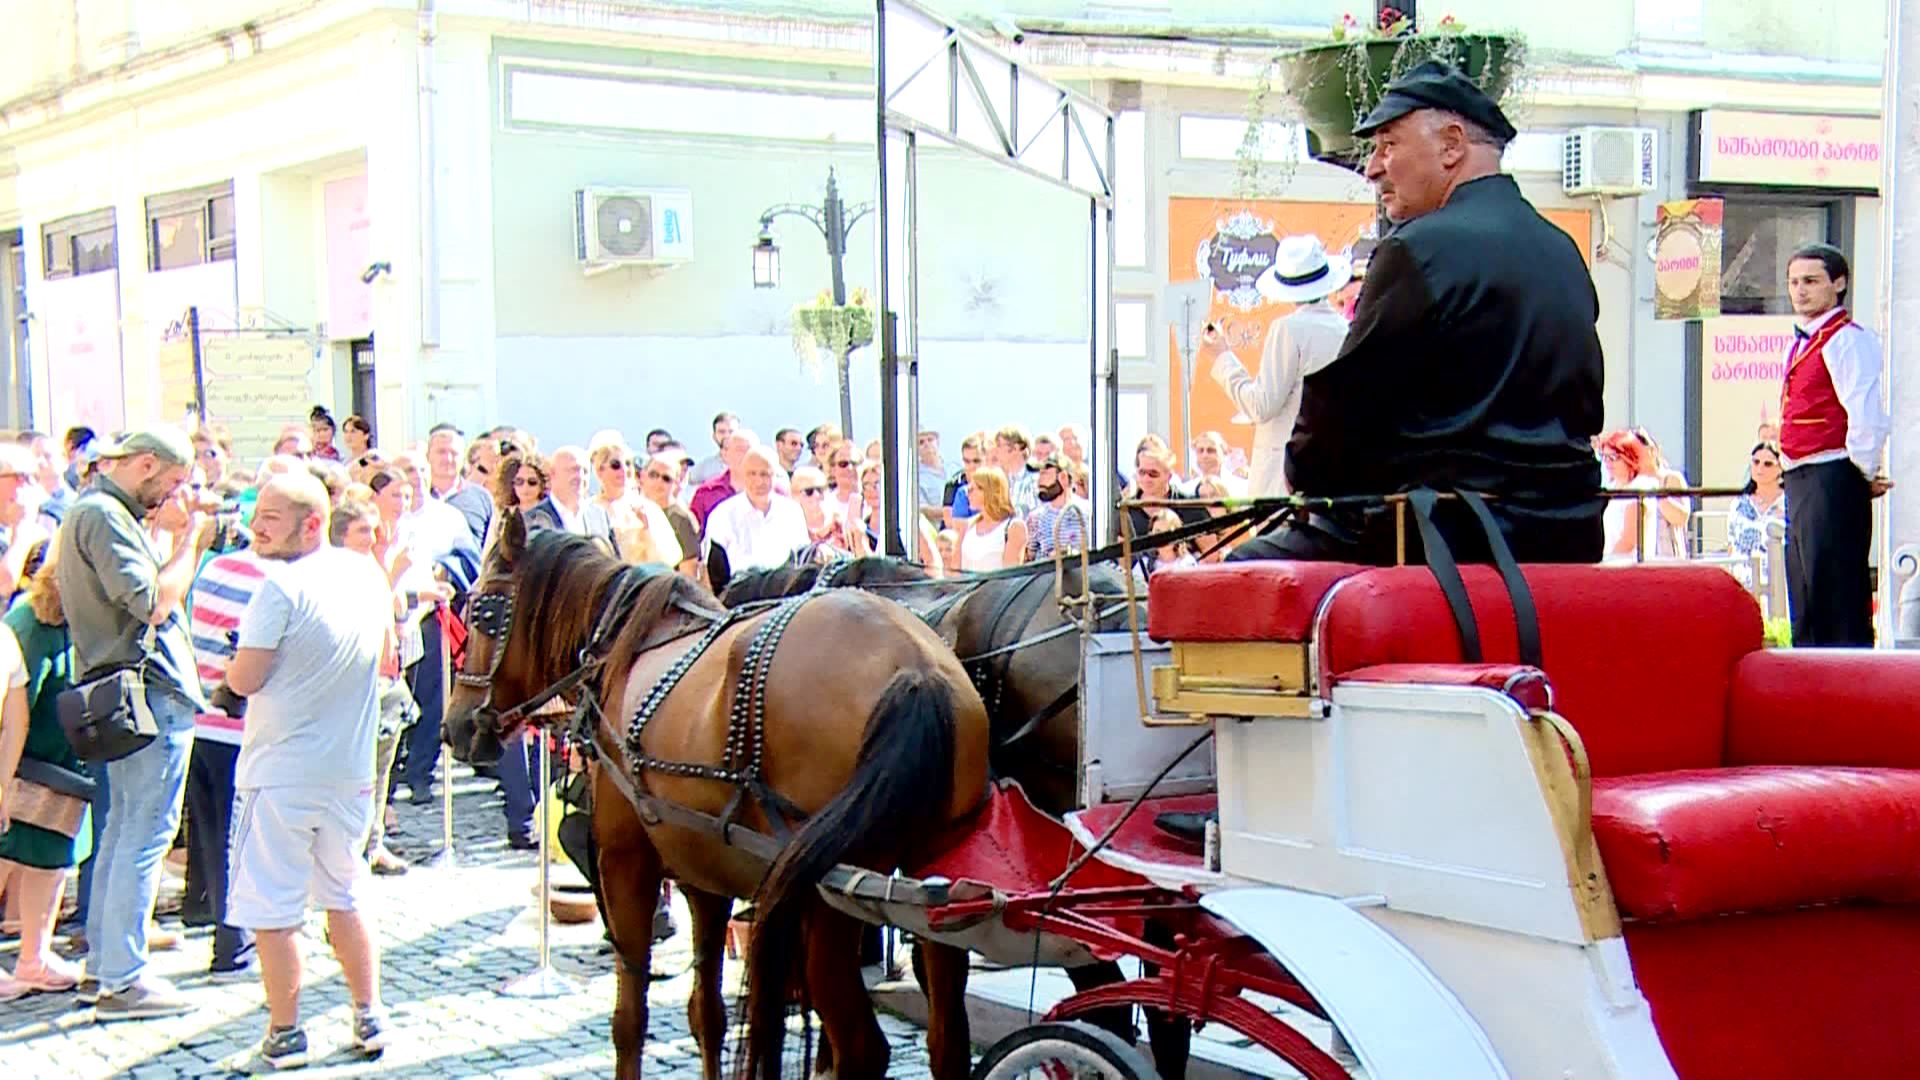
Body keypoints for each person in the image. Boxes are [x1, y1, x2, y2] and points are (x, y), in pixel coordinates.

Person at [1222, 61, 1604, 567]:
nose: (1372, 168)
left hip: (1446, 535)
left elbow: (1342, 412)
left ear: (1451, 145)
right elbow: (1585, 407)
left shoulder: (1417, 249)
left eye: (1388, 145)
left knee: (1242, 568)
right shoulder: (1562, 250)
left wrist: (1304, 476)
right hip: (1567, 531)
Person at [222, 474, 394, 1067]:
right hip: (348, 768)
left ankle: (286, 1030)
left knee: (273, 906)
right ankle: (369, 1013)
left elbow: (244, 679)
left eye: (270, 518)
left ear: (312, 523)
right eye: (257, 515)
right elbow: (386, 655)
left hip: (280, 770)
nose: (256, 528)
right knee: (346, 891)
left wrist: (229, 667)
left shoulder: (280, 588)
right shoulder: (365, 574)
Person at [54, 427, 212, 1018]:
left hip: (126, 691)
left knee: (124, 831)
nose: (170, 494)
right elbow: (154, 603)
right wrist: (191, 542)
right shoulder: (102, 514)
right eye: (170, 482)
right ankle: (123, 977)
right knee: (143, 834)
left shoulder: (96, 510)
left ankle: (106, 966)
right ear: (146, 464)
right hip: (147, 693)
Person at [1776, 243, 1892, 647]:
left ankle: (1845, 674)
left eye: (1811, 281)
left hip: (1831, 471)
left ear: (1839, 284)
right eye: (1794, 282)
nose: (1800, 290)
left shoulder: (1848, 340)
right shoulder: (1801, 342)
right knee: (1807, 592)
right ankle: (1809, 672)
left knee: (1836, 593)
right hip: (1801, 474)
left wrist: (1859, 473)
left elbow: (1865, 413)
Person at [0, 547, 87, 998]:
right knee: (7, 857)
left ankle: (33, 958)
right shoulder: (27, 626)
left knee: (50, 863)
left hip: (60, 772)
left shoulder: (81, 621)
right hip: (23, 770)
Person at [184, 539, 269, 980]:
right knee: (241, 838)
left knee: (212, 833)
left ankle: (205, 911)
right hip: (245, 726)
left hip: (202, 720)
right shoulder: (276, 581)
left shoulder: (214, 569)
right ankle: (233, 941)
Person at [1210, 235, 1352, 498]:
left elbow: (1262, 405)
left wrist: (1223, 358)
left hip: (1284, 477)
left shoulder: (1288, 329)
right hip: (1333, 473)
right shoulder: (1345, 330)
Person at [330, 499, 418, 874]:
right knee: (351, 772)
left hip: (386, 683)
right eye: (364, 530)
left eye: (374, 528)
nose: (373, 536)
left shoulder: (373, 567)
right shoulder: (331, 572)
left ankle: (374, 842)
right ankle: (345, 847)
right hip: (351, 686)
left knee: (381, 769)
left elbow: (394, 614)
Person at [703, 446, 808, 589]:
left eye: (765, 474)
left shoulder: (792, 511)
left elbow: (802, 555)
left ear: (776, 475)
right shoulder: (722, 515)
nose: (759, 482)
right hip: (739, 590)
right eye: (752, 474)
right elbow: (711, 571)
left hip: (785, 589)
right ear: (743, 474)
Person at [524, 446, 614, 548]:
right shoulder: (532, 521)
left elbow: (612, 556)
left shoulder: (599, 516)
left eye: (585, 471)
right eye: (573, 470)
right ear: (552, 474)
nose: (580, 477)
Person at [1728, 442, 1787, 591]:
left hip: (1780, 584)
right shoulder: (1739, 503)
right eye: (1756, 462)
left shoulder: (1789, 503)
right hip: (1744, 584)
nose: (1760, 468)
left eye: (1768, 464)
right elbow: (1732, 545)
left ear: (1780, 468)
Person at [639, 452, 701, 578]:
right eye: (653, 475)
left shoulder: (681, 518)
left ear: (676, 483)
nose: (658, 482)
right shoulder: (632, 510)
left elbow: (689, 572)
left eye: (666, 478)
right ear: (643, 476)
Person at [957, 466, 1028, 571]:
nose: (968, 494)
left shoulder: (1014, 527)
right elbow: (955, 570)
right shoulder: (967, 526)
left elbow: (1011, 574)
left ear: (988, 491)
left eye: (972, 489)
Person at [1025, 454, 1091, 562]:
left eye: (1044, 474)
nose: (1039, 482)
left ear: (1063, 477)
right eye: (1039, 475)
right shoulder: (1036, 518)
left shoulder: (1088, 513)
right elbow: (1029, 558)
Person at [686, 411, 740, 488]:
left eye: (731, 431)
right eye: (722, 432)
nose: (727, 436)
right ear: (714, 437)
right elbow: (685, 482)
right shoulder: (706, 466)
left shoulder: (749, 463)